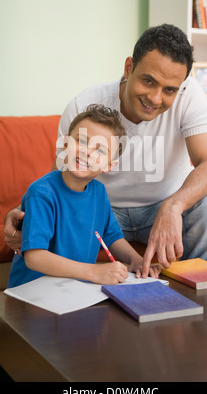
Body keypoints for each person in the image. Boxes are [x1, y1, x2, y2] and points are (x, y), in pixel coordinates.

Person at [4, 23, 207, 278]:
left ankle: (195, 294)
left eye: (169, 90)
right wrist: (27, 214)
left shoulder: (189, 94)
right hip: (101, 209)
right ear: (129, 68)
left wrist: (173, 206)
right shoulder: (85, 105)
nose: (156, 98)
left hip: (162, 206)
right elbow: (60, 177)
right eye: (148, 81)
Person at [8, 103, 161, 288]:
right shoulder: (41, 192)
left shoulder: (99, 193)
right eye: (81, 141)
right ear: (65, 145)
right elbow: (34, 257)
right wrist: (94, 271)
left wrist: (136, 260)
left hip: (74, 289)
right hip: (32, 292)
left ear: (108, 166)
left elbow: (111, 236)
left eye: (100, 150)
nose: (87, 151)